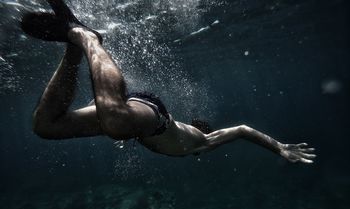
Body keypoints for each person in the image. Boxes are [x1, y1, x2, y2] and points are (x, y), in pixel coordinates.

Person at [21, 0, 316, 163]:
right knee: (117, 125)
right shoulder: (202, 144)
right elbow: (241, 129)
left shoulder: (187, 142)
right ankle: (87, 38)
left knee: (45, 126)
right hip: (154, 114)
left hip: (137, 120)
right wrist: (279, 147)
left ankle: (73, 51)